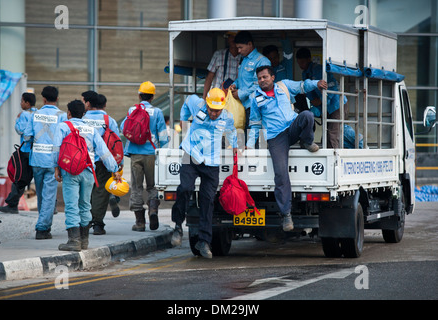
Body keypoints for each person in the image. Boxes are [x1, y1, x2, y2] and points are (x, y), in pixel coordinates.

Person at [247, 66, 327, 231]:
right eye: (259, 78)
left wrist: (317, 83)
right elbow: (254, 123)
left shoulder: (284, 86)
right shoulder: (255, 97)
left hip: (292, 127)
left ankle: (306, 141)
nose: (262, 80)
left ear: (272, 77)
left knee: (307, 115)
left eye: (265, 77)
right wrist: (249, 145)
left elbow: (302, 86)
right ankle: (286, 215)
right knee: (281, 173)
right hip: (275, 137)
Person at [171, 88, 238, 259]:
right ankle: (178, 226)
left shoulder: (227, 117)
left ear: (222, 107)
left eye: (217, 110)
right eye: (211, 109)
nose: (213, 113)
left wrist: (236, 145)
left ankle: (204, 241)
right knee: (185, 188)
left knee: (208, 201)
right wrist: (184, 121)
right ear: (207, 104)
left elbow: (232, 132)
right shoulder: (197, 103)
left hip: (211, 161)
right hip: (191, 154)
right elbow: (185, 104)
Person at [53, 100, 121, 251]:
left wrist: (56, 168)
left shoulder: (64, 126)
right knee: (85, 205)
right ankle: (84, 241)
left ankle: (73, 241)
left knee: (71, 205)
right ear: (83, 114)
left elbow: (56, 150)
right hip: (89, 171)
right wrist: (114, 169)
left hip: (71, 171)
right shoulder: (91, 129)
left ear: (68, 113)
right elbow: (103, 151)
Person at [121, 81, 168, 232]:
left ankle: (140, 222)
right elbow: (163, 135)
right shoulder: (158, 112)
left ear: (139, 95)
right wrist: (164, 152)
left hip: (135, 154)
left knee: (136, 187)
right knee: (153, 186)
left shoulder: (132, 109)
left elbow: (124, 127)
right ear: (153, 97)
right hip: (152, 154)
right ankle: (153, 210)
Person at [23, 86, 67, 239]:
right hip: (53, 161)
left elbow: (27, 136)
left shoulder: (35, 115)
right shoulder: (62, 116)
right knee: (49, 195)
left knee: (42, 194)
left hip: (36, 160)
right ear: (57, 98)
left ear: (43, 99)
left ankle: (44, 223)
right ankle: (42, 228)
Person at [82, 91, 123, 235]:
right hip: (104, 161)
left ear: (88, 103)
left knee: (85, 191)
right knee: (101, 192)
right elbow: (117, 142)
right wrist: (119, 162)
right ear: (103, 104)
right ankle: (98, 224)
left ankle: (84, 222)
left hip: (85, 160)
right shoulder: (108, 120)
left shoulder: (82, 118)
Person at [296, 47, 347, 149]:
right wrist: (314, 101)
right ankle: (327, 152)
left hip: (336, 104)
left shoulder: (319, 69)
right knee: (326, 131)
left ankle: (333, 158)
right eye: (299, 63)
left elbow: (331, 86)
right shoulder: (305, 73)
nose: (301, 65)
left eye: (303, 62)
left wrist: (322, 101)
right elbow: (308, 90)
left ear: (309, 59)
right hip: (325, 106)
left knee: (333, 132)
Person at [0, 92, 37, 214]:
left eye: (21, 101)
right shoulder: (38, 113)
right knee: (41, 179)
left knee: (20, 178)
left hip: (25, 151)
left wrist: (17, 119)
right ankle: (52, 207)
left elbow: (20, 130)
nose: (20, 103)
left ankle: (12, 205)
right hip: (38, 152)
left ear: (27, 103)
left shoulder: (24, 114)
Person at [229, 31, 271, 133]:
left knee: (255, 140)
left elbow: (260, 85)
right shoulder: (244, 60)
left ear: (249, 44)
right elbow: (242, 78)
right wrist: (234, 84)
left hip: (255, 108)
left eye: (240, 47)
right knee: (243, 138)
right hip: (243, 107)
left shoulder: (262, 61)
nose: (238, 51)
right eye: (237, 48)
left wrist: (240, 93)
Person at [202, 31, 241, 99]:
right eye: (231, 36)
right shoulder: (218, 54)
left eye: (235, 37)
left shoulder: (244, 58)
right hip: (217, 98)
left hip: (235, 99)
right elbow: (209, 77)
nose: (233, 39)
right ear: (228, 39)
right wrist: (204, 98)